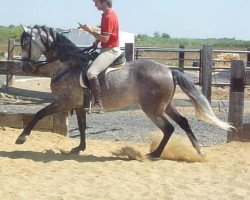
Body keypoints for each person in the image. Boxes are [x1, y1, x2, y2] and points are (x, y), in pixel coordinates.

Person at [79, 0, 121, 113]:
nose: (95, 4)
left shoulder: (109, 17)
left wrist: (89, 31)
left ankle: (98, 104)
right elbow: (103, 35)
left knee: (91, 72)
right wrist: (96, 42)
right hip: (106, 48)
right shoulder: (106, 14)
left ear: (104, 2)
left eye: (96, 2)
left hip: (111, 51)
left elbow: (106, 39)